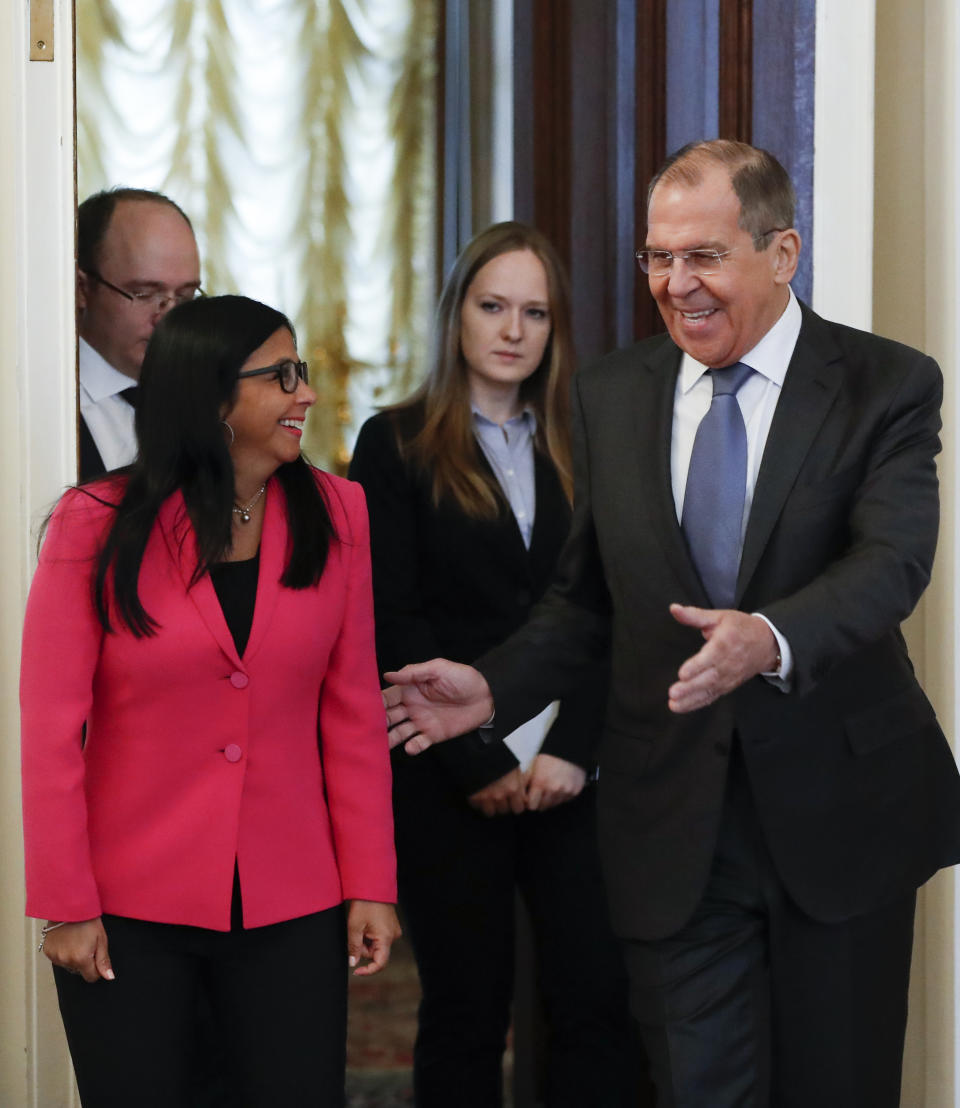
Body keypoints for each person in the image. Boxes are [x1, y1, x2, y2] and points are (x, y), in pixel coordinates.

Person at [383, 141, 960, 1107]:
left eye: (703, 256)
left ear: (783, 254)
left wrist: (767, 638)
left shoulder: (885, 384)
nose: (675, 285)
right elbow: (588, 600)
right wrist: (496, 687)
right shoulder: (613, 393)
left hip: (840, 816)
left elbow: (891, 563)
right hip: (672, 824)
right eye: (657, 258)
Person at [21, 294, 400, 1106]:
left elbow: (354, 714)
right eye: (282, 376)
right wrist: (65, 904)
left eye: (303, 374)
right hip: (128, 911)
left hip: (293, 904)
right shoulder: (93, 524)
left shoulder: (340, 513)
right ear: (212, 397)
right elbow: (50, 729)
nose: (306, 395)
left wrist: (371, 881)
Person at [349, 222, 643, 1107]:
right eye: (492, 307)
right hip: (448, 775)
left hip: (569, 771)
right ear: (457, 316)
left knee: (594, 1000)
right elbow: (389, 621)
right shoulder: (394, 443)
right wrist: (482, 760)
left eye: (535, 312)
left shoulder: (589, 444)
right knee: (467, 1009)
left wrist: (570, 750)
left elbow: (610, 606)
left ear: (555, 329)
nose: (513, 330)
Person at [77, 187, 202, 479]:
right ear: (82, 288)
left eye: (185, 296)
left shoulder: (210, 399)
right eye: (144, 294)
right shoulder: (39, 398)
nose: (169, 317)